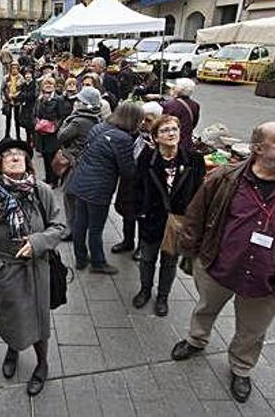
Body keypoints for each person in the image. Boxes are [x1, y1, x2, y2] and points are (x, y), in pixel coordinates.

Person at [171, 121, 275, 403]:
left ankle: (241, 368)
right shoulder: (224, 178)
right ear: (257, 148)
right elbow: (196, 216)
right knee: (205, 308)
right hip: (218, 267)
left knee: (252, 330)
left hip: (269, 278)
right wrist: (191, 254)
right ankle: (196, 340)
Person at [0, 138, 65, 396]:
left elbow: (59, 227)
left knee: (39, 319)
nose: (14, 156)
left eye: (20, 154)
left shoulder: (41, 190)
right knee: (11, 317)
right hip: (6, 270)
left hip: (38, 268)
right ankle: (13, 349)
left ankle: (42, 364)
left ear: (27, 161)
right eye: (8, 154)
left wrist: (37, 242)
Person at [132, 115, 205, 317]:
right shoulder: (147, 159)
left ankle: (163, 296)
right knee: (147, 258)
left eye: (174, 129)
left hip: (178, 222)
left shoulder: (194, 159)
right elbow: (136, 188)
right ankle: (145, 290)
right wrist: (141, 214)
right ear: (155, 137)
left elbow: (199, 192)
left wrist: (192, 219)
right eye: (165, 130)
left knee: (169, 261)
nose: (171, 133)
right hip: (152, 220)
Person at [68, 101, 143, 274]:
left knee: (80, 222)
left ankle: (80, 259)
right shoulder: (123, 139)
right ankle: (98, 263)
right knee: (96, 228)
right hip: (98, 189)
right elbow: (127, 170)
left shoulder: (99, 126)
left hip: (81, 181)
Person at [113, 101, 163, 257]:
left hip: (145, 184)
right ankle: (128, 241)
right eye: (142, 119)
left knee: (142, 215)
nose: (144, 123)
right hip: (129, 180)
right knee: (127, 211)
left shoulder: (160, 139)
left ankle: (141, 246)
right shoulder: (134, 132)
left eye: (148, 120)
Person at [57, 87, 103, 242]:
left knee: (69, 195)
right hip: (86, 163)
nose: (75, 103)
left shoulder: (77, 121)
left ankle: (72, 228)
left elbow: (61, 135)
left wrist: (66, 121)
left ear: (85, 104)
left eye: (78, 100)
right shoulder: (96, 118)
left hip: (75, 162)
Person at [32, 76, 64, 186]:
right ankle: (48, 177)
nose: (48, 85)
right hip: (42, 132)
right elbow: (35, 114)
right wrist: (37, 123)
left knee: (53, 157)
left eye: (50, 83)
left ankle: (55, 180)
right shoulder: (39, 99)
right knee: (45, 156)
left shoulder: (58, 99)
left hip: (52, 134)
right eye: (46, 83)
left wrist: (55, 126)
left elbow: (61, 116)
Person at [162, 78, 200, 153]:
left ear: (178, 90)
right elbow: (194, 123)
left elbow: (163, 124)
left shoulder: (171, 105)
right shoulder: (195, 105)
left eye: (175, 87)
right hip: (187, 142)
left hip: (173, 142)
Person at [2, 62, 25, 140]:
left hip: (17, 101)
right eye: (13, 68)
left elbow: (23, 90)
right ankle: (7, 135)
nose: (14, 70)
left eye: (16, 68)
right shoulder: (6, 78)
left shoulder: (21, 78)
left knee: (17, 119)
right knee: (8, 119)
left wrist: (18, 95)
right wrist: (4, 98)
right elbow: (2, 89)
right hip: (8, 100)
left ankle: (18, 135)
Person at [17, 69, 38, 144]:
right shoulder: (23, 85)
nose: (28, 76)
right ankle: (28, 139)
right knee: (26, 125)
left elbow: (33, 95)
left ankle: (34, 141)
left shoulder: (34, 84)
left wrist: (23, 95)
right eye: (26, 74)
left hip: (32, 107)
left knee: (32, 125)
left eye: (29, 74)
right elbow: (19, 95)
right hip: (25, 107)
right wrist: (23, 96)